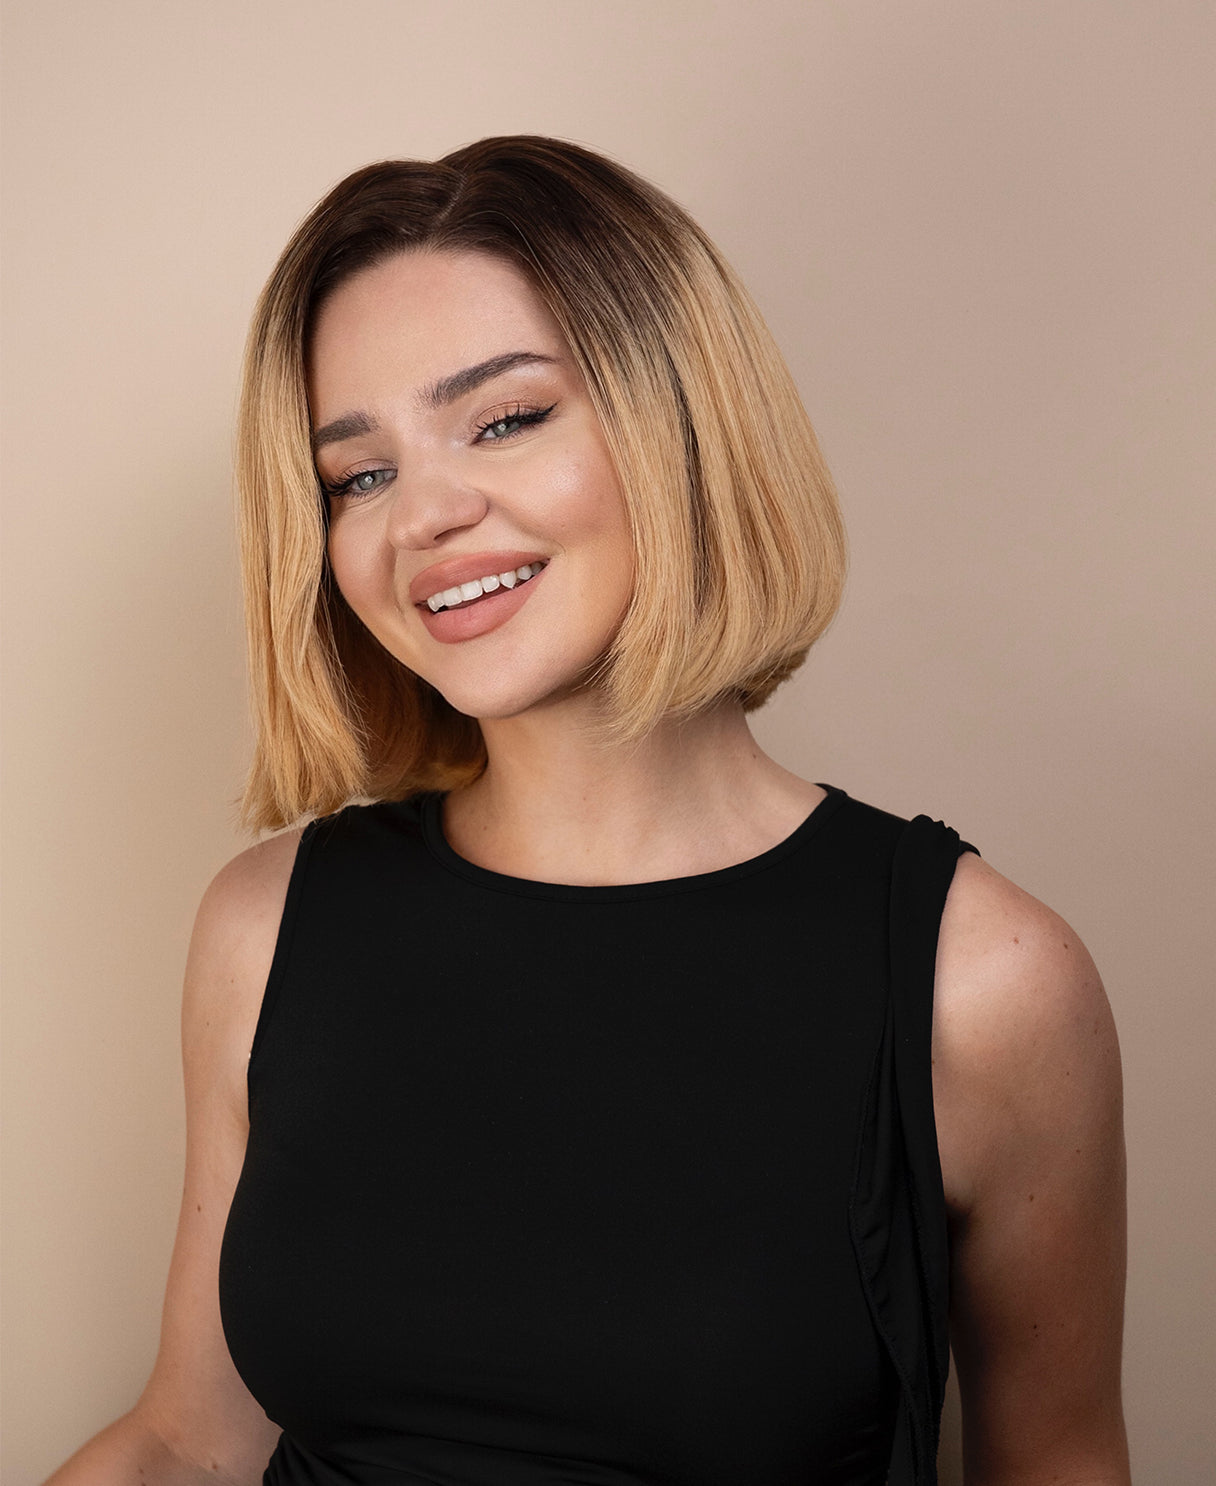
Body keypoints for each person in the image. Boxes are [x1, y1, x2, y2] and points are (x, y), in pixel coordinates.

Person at [46, 136, 1129, 1486]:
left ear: (680, 418)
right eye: (358, 474)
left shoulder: (985, 982)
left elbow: (1060, 1462)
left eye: (505, 419)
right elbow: (187, 1441)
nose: (426, 515)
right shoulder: (266, 926)